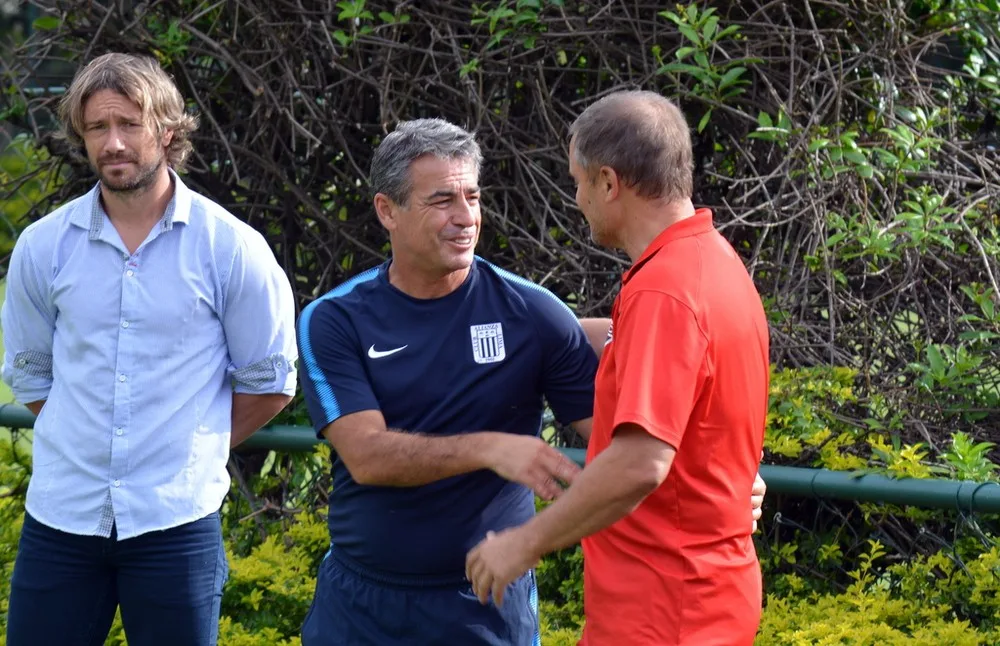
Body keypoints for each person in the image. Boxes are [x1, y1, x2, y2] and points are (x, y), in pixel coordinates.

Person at [298, 117, 766, 645]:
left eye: (472, 197)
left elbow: (628, 440)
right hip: (362, 605)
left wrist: (721, 482)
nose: (465, 217)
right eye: (442, 201)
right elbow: (367, 456)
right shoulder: (334, 319)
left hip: (488, 603)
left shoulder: (534, 313)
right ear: (388, 210)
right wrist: (491, 448)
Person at [1, 53, 297, 646]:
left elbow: (270, 381)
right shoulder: (43, 246)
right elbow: (32, 375)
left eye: (129, 124)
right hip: (62, 519)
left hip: (175, 523)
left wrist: (186, 445)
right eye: (96, 128)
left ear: (166, 128)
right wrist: (92, 441)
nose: (113, 143)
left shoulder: (230, 247)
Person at [466, 90, 771, 646]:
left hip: (666, 609)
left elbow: (639, 464)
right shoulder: (710, 261)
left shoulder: (665, 292)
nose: (577, 197)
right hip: (695, 597)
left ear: (609, 182)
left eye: (579, 181)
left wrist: (524, 542)